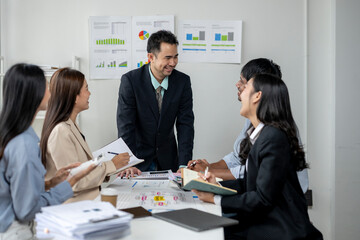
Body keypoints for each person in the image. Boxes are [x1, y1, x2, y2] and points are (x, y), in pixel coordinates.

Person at [193, 74, 322, 239]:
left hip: (281, 232)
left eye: (246, 87)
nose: (240, 91)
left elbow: (262, 198)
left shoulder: (273, 137)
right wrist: (215, 187)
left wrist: (215, 199)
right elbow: (250, 183)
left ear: (257, 96)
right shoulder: (263, 135)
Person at [0, 63, 95, 238]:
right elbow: (26, 210)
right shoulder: (24, 144)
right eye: (47, 87)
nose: (51, 92)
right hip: (17, 231)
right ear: (34, 94)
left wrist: (49, 183)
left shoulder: (12, 134)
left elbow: (14, 189)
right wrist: (69, 183)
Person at [187, 58, 309, 193]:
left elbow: (249, 173)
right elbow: (238, 157)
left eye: (244, 83)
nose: (238, 85)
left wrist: (209, 173)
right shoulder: (254, 120)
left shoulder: (274, 134)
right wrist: (208, 168)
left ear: (259, 93)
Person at [40, 68, 130, 203]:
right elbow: (74, 180)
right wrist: (111, 165)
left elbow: (81, 167)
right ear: (75, 97)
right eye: (86, 89)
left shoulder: (71, 125)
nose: (89, 93)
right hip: (72, 209)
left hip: (85, 204)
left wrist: (116, 166)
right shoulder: (61, 131)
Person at [117, 30, 194, 173]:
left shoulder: (182, 82)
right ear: (151, 57)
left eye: (176, 57)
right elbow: (126, 126)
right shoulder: (131, 81)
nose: (173, 63)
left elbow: (185, 125)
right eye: (168, 58)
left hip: (169, 160)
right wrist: (128, 163)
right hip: (138, 161)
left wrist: (184, 165)